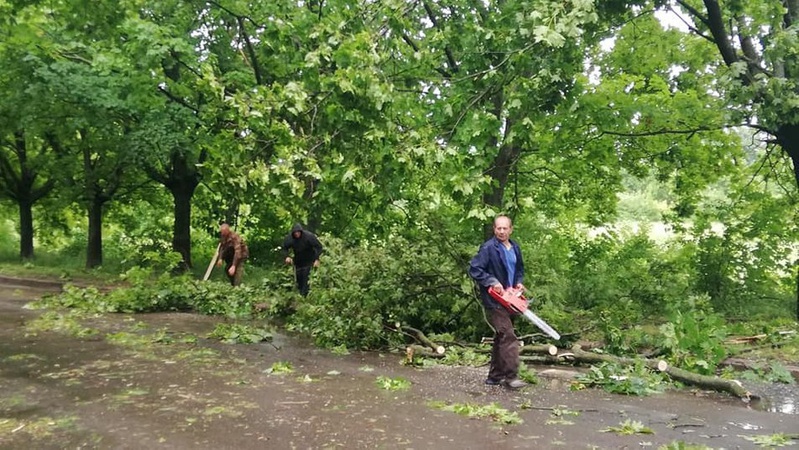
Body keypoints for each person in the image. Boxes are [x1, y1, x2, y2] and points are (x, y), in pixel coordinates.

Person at [468, 215, 527, 389]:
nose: (501, 231)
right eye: (498, 228)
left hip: (511, 299)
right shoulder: (488, 248)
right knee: (508, 336)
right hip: (494, 300)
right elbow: (474, 269)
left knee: (501, 337)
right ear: (494, 229)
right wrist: (492, 281)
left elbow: (519, 269)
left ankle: (494, 377)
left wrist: (519, 282)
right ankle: (511, 377)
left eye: (505, 228)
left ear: (511, 229)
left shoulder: (515, 247)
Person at [281, 223, 324, 297]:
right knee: (299, 279)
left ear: (301, 232)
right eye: (295, 233)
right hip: (298, 262)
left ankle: (305, 296)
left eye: (298, 232)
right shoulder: (290, 238)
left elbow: (319, 247)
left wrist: (317, 259)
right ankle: (300, 295)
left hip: (309, 260)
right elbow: (284, 248)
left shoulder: (309, 236)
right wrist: (287, 257)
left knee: (306, 278)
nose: (297, 234)